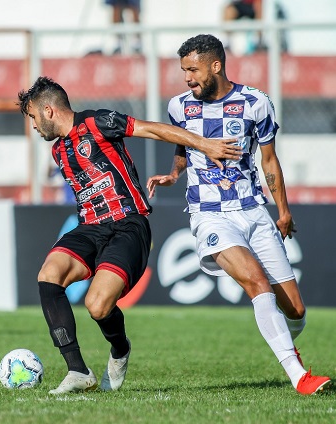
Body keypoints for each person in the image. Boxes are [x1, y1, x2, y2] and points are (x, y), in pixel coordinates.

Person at [17, 76, 242, 394]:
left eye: (33, 117)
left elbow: (152, 129)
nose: (34, 126)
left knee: (97, 306)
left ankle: (119, 349)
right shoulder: (59, 154)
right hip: (89, 228)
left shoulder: (98, 122)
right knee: (48, 276)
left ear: (49, 111)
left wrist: (203, 144)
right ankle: (78, 370)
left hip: (128, 225)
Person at [146, 34, 330, 395]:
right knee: (256, 283)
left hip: (253, 210)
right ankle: (299, 376)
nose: (187, 78)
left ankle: (286, 342)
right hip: (209, 214)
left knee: (294, 310)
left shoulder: (255, 103)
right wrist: (173, 173)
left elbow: (269, 160)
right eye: (183, 70)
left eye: (193, 70)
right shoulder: (179, 106)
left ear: (216, 65)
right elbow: (183, 146)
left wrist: (283, 211)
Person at [222, 0, 288, 54]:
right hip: (241, 4)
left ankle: (259, 42)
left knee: (259, 5)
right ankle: (228, 43)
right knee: (228, 9)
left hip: (255, 5)